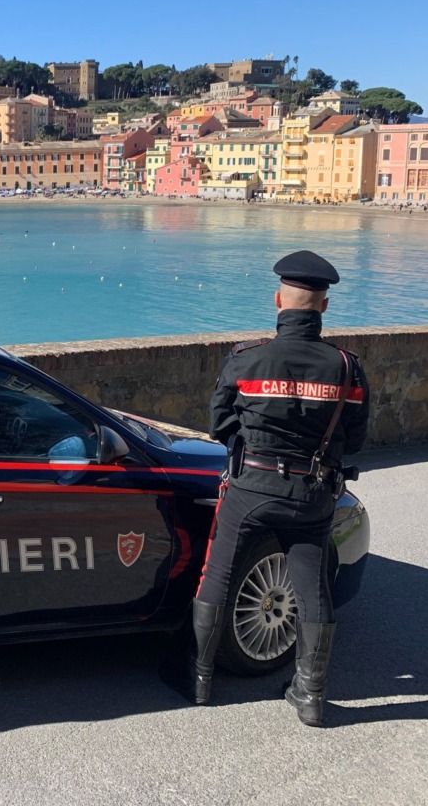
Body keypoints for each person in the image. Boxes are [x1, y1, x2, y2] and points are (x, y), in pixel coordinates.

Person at [171, 249, 370, 727]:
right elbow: (356, 439)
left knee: (216, 576)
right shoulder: (348, 370)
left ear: (279, 300)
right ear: (323, 306)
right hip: (313, 496)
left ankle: (198, 680)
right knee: (312, 590)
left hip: (249, 491)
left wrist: (251, 454)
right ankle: (310, 696)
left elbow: (221, 424)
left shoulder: (247, 359)